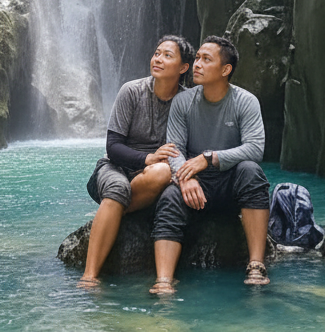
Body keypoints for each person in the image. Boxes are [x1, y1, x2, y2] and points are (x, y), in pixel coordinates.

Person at [149, 35, 271, 295]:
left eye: (206, 60)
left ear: (225, 70)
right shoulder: (183, 102)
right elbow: (174, 149)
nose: (197, 65)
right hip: (196, 186)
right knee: (170, 195)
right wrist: (185, 178)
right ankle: (163, 280)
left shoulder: (245, 101)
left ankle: (256, 265)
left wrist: (208, 158)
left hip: (230, 183)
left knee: (251, 172)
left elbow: (254, 149)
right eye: (196, 59)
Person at [78, 34, 195, 288]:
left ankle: (110, 213)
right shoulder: (131, 91)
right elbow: (113, 146)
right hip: (114, 168)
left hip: (154, 177)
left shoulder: (187, 102)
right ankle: (89, 277)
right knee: (119, 188)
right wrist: (147, 157)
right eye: (156, 53)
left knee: (162, 172)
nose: (158, 59)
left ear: (184, 67)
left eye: (167, 55)